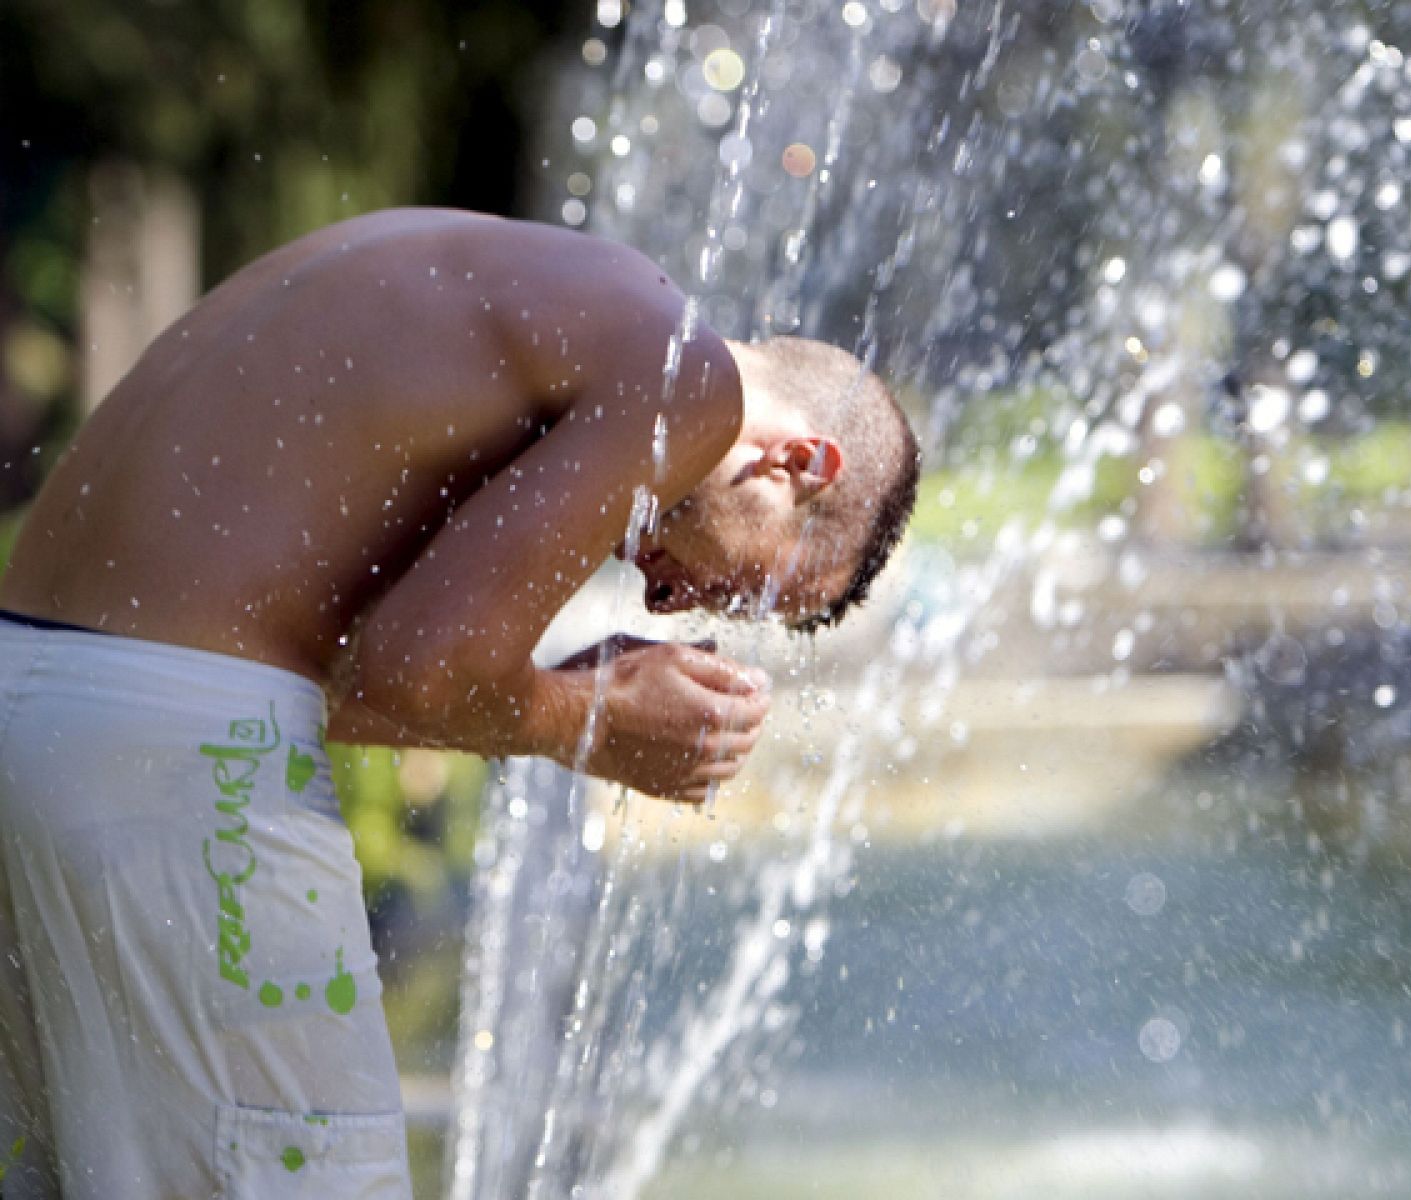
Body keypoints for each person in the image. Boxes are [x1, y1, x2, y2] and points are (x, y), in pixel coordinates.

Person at [0, 208, 920, 1198]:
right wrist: (597, 723)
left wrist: (567, 695)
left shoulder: (558, 297)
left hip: (49, 705)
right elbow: (422, 673)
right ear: (798, 465)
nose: (667, 601)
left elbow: (335, 681)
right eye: (744, 589)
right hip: (181, 772)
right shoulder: (687, 379)